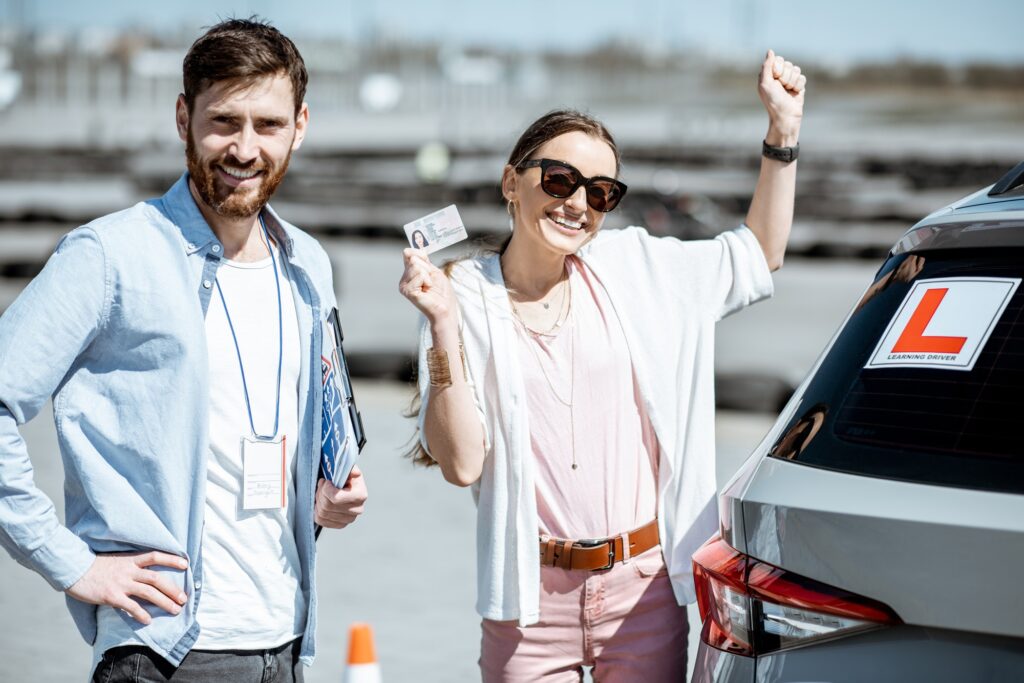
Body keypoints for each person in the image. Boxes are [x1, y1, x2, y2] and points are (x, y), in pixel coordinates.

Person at [399, 50, 805, 681]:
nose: (577, 203)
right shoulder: (462, 297)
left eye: (601, 191)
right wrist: (442, 325)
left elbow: (760, 253)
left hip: (642, 594)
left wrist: (783, 133)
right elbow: (461, 464)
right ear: (512, 182)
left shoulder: (638, 270)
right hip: (527, 601)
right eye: (559, 179)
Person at [0, 18, 367, 682]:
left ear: (301, 125)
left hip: (285, 641)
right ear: (182, 118)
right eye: (224, 121)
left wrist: (324, 493)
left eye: (269, 124)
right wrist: (69, 560)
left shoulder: (308, 264)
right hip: (161, 651)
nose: (245, 148)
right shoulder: (110, 256)